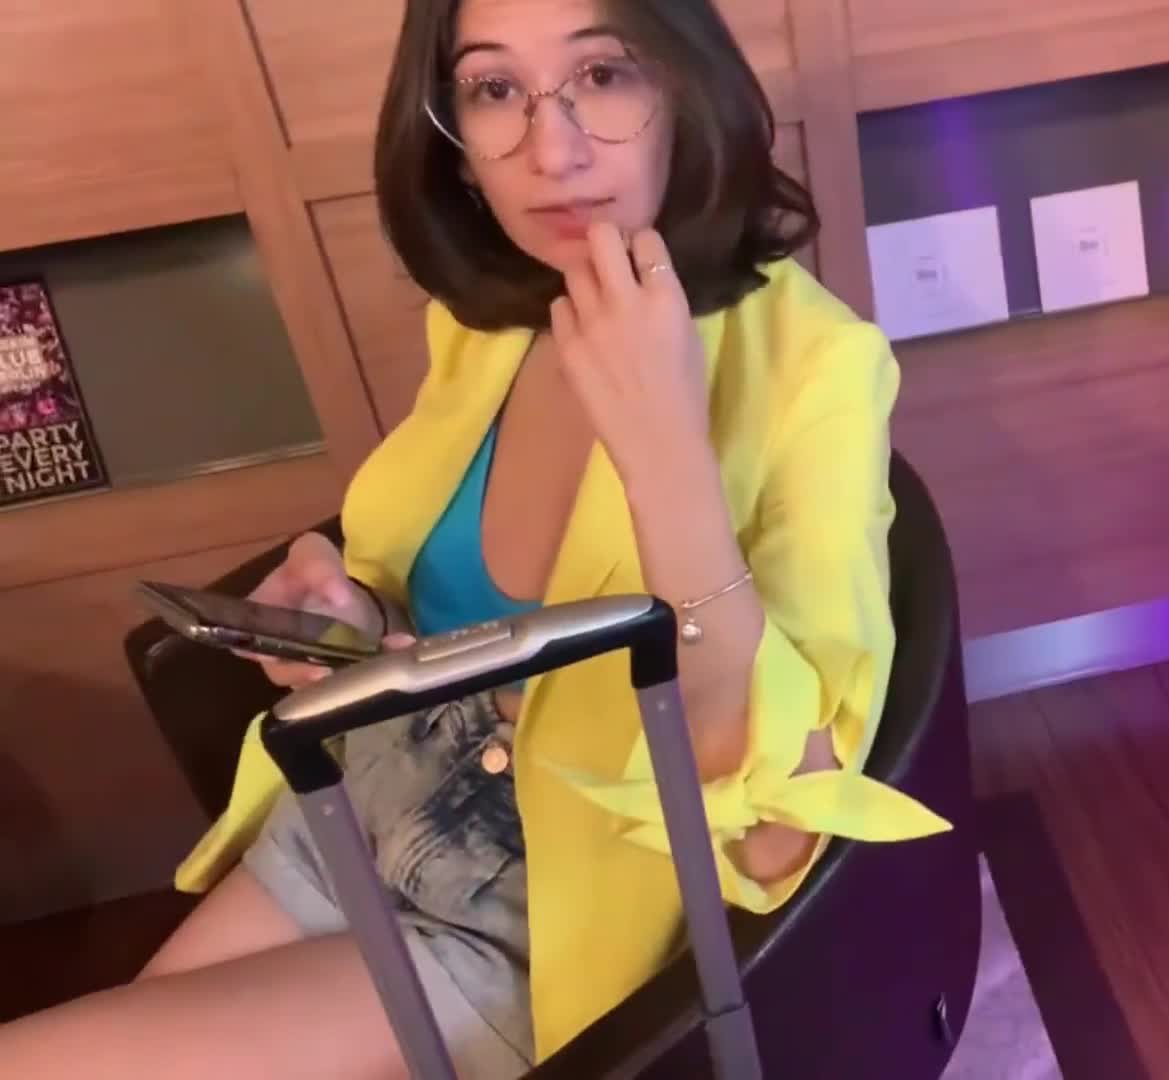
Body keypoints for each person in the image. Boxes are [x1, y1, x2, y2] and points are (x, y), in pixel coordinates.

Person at [0, 0, 949, 1075]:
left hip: (539, 894)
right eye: (496, 89)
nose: (554, 150)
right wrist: (356, 616)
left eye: (603, 75)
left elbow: (787, 834)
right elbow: (467, 600)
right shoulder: (495, 318)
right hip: (370, 787)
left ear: (685, 89)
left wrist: (668, 457)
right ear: (453, 138)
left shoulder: (819, 370)